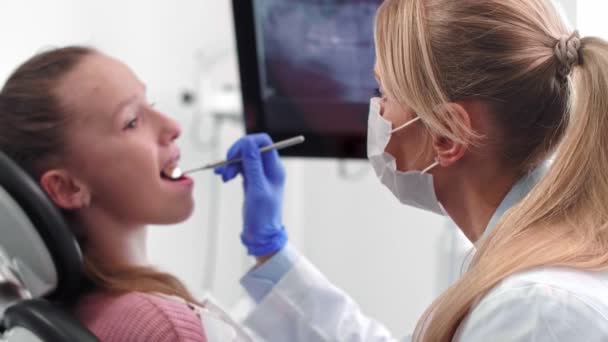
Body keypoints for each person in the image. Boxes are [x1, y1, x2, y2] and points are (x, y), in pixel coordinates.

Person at [214, 0, 608, 340]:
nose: (377, 113)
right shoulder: (529, 269)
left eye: (383, 94)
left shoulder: (536, 310)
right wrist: (272, 252)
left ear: (448, 135)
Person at [0, 47, 250, 341]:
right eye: (132, 121)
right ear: (67, 188)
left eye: (151, 103)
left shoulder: (77, 311)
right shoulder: (162, 326)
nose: (173, 127)